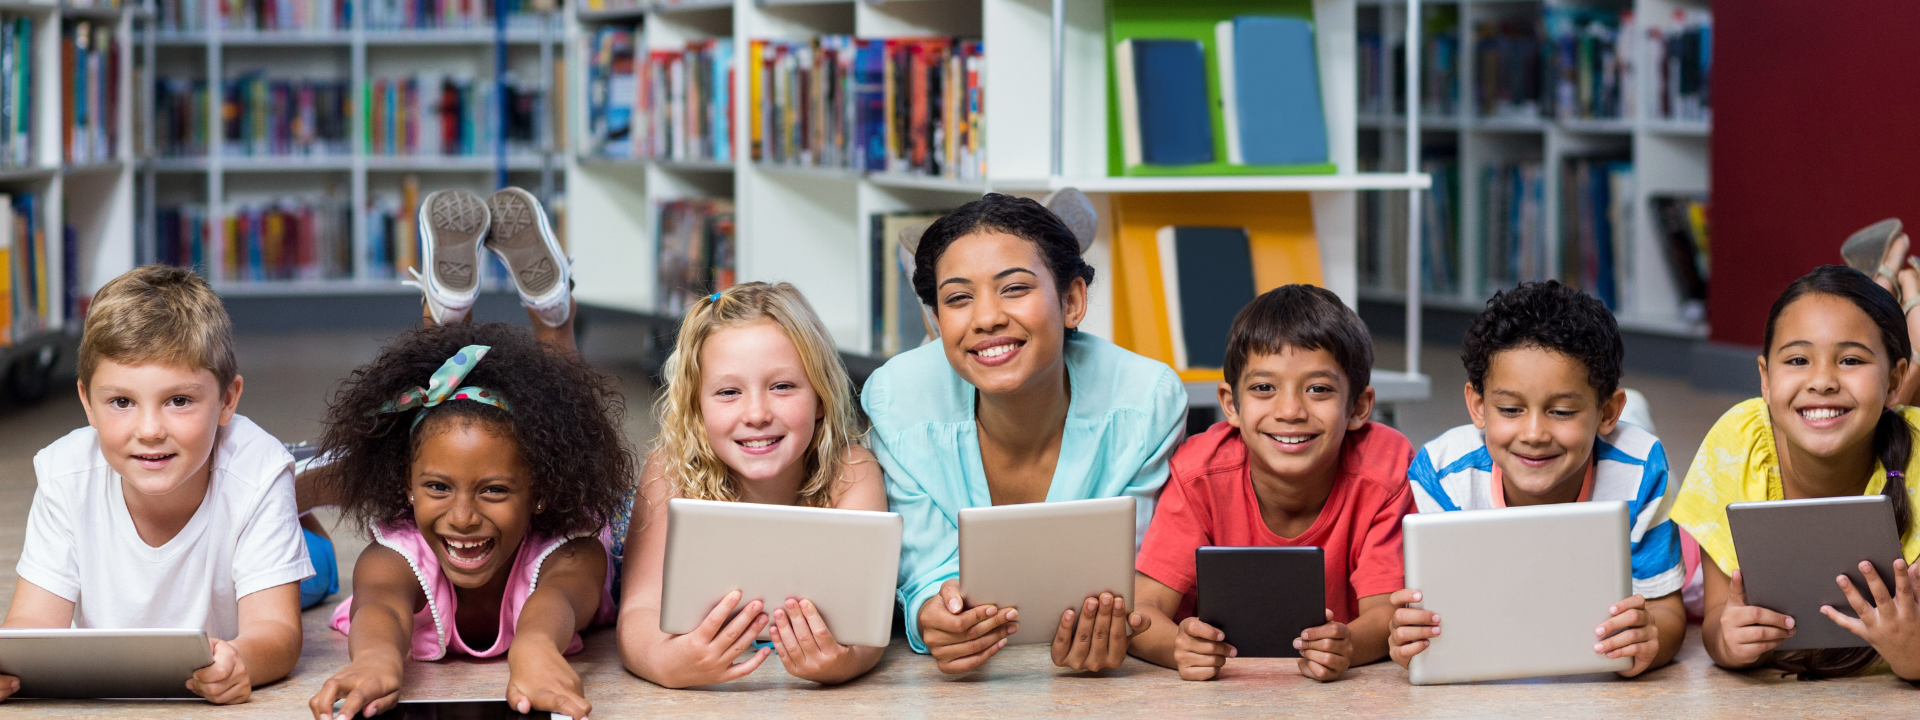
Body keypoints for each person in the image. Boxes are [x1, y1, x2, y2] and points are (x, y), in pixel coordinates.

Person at [308, 188, 636, 719]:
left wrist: (535, 648)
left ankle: (487, 314)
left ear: (539, 494)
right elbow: (382, 607)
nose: (462, 517)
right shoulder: (397, 552)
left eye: (495, 491)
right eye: (437, 488)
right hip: (465, 456)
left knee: (555, 408)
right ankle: (537, 308)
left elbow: (555, 602)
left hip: (577, 510)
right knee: (440, 409)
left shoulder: (572, 547)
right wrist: (373, 660)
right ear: (406, 487)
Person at [862, 193, 1187, 674]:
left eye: (1014, 288)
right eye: (957, 298)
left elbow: (1128, 576)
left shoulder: (1146, 401)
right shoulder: (897, 401)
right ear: (936, 320)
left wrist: (1106, 616)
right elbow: (926, 571)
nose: (986, 317)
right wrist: (937, 614)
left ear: (1072, 301)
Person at [0, 265, 314, 704]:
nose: (149, 430)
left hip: (246, 513)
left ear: (227, 400)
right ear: (87, 403)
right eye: (122, 402)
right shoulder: (64, 473)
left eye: (179, 400)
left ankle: (305, 512)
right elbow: (31, 621)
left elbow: (278, 631)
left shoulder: (258, 473)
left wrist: (241, 658)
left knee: (313, 575)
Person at [1389, 281, 1687, 678]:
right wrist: (1407, 635)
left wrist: (1649, 641)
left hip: (1618, 453)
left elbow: (1666, 611)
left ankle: (1633, 413)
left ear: (1607, 412)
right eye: (1510, 409)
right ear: (1478, 407)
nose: (1533, 434)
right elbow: (1423, 611)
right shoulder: (1439, 473)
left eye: (1561, 411)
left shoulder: (1641, 469)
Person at [1129, 285, 1413, 681]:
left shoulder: (1386, 470)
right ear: (1231, 404)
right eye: (1264, 387)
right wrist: (1178, 647)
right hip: (1216, 695)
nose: (1290, 411)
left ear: (1359, 407)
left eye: (1319, 389)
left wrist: (1347, 646)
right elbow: (1142, 611)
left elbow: (1389, 613)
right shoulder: (1199, 474)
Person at [617, 282, 886, 687]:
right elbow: (639, 610)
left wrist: (844, 663)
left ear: (821, 398)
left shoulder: (853, 471)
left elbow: (869, 623)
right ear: (696, 408)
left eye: (782, 387)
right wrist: (664, 662)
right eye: (728, 392)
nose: (757, 414)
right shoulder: (669, 471)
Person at [1672, 265, 1920, 680]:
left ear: (1895, 379)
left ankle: (1904, 296)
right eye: (1798, 359)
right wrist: (1729, 643)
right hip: (1877, 405)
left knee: (1891, 413)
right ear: (1765, 380)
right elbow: (1717, 624)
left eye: (1850, 359)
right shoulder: (1738, 443)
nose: (1821, 380)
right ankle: (1889, 284)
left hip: (1897, 419)